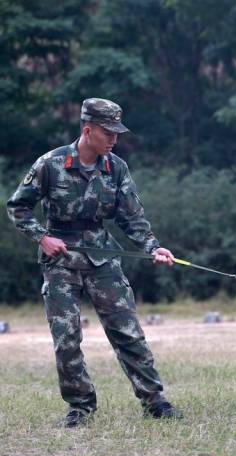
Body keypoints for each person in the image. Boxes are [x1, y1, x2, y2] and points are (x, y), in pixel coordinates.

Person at [6, 98, 183, 427]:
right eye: (108, 133)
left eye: (117, 133)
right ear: (88, 130)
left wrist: (154, 247)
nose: (114, 139)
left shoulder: (116, 167)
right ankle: (80, 407)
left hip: (103, 258)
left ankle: (155, 401)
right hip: (59, 260)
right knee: (66, 337)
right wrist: (42, 237)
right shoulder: (51, 163)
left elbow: (132, 218)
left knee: (128, 332)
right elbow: (18, 207)